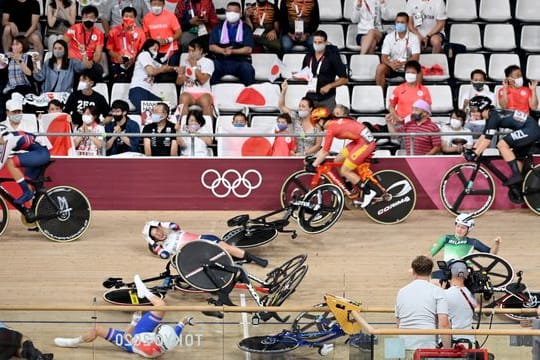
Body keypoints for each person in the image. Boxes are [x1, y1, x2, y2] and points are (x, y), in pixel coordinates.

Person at [55, 274, 193, 358]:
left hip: (132, 340)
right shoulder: (168, 341)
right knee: (162, 306)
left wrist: (134, 322)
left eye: (159, 329)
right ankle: (143, 292)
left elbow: (127, 336)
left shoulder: (147, 349)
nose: (160, 327)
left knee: (97, 330)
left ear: (158, 339)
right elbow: (176, 331)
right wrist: (184, 321)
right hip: (146, 335)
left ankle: (73, 342)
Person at [308, 107, 380, 208]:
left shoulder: (330, 129)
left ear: (320, 121)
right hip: (359, 141)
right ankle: (350, 189)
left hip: (365, 143)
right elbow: (324, 150)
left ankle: (368, 192)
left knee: (345, 170)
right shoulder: (333, 122)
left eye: (315, 124)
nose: (316, 127)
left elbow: (325, 152)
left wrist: (314, 164)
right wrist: (315, 159)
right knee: (337, 160)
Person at [465, 96, 540, 185]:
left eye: (474, 110)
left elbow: (487, 141)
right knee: (517, 156)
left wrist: (474, 154)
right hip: (530, 128)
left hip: (530, 129)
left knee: (502, 144)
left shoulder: (493, 117)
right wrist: (474, 149)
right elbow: (484, 136)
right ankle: (519, 185)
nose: (473, 113)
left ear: (482, 108)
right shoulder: (491, 116)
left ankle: (517, 175)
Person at [142, 220, 268, 267]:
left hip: (205, 240)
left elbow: (174, 225)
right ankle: (242, 258)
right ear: (155, 240)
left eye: (158, 230)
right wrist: (150, 241)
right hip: (199, 253)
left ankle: (256, 259)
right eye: (155, 235)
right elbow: (164, 256)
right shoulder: (166, 248)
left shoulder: (173, 232)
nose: (159, 233)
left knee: (227, 248)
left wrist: (159, 223)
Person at [395, 255, 450, 357]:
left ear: (413, 271)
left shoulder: (401, 291)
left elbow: (398, 323)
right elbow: (444, 323)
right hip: (427, 347)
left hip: (404, 345)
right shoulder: (438, 291)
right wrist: (448, 351)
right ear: (430, 272)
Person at [0, 127, 51, 205]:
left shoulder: (9, 140)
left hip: (41, 154)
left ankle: (26, 192)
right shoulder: (9, 137)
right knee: (29, 186)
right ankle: (29, 213)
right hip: (38, 153)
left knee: (10, 162)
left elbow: (1, 162)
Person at [209, 1, 255, 86]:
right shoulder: (218, 27)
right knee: (210, 68)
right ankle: (212, 95)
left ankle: (249, 96)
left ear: (240, 13)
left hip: (240, 61)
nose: (232, 14)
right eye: (229, 11)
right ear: (226, 12)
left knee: (248, 69)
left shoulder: (246, 28)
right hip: (221, 61)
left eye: (235, 12)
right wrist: (223, 50)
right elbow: (212, 46)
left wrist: (232, 51)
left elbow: (248, 49)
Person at [301, 29, 348, 111]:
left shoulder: (333, 56)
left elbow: (344, 79)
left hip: (327, 98)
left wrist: (329, 86)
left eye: (320, 42)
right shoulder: (308, 56)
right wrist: (298, 75)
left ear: (326, 42)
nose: (317, 44)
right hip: (310, 97)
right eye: (315, 42)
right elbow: (304, 73)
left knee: (327, 123)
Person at [128, 39, 179, 114]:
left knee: (164, 108)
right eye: (154, 49)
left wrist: (175, 68)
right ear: (147, 47)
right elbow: (151, 72)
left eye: (157, 50)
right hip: (138, 89)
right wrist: (162, 69)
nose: (156, 51)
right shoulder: (144, 54)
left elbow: (165, 68)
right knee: (145, 113)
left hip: (148, 92)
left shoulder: (152, 61)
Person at [430, 213, 501, 262]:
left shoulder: (473, 242)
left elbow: (491, 254)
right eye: (458, 226)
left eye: (463, 228)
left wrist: (496, 244)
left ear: (468, 230)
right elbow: (430, 255)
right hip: (448, 270)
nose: (459, 229)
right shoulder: (445, 238)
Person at [375, 12, 420, 89]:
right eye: (397, 22)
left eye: (402, 22)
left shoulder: (414, 38)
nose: (399, 24)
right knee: (380, 68)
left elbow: (416, 57)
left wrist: (404, 63)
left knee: (419, 72)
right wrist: (391, 64)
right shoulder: (389, 37)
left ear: (407, 23)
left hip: (407, 66)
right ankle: (381, 96)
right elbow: (383, 57)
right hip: (392, 67)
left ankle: (414, 96)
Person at [385, 60, 431, 134]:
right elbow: (391, 106)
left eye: (413, 73)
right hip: (400, 124)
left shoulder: (424, 90)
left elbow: (427, 109)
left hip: (418, 124)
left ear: (418, 74)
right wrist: (396, 117)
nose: (410, 74)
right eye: (408, 72)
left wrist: (413, 119)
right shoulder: (398, 89)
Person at [278, 80, 321, 156]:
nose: (300, 108)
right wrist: (283, 91)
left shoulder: (317, 125)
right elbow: (282, 106)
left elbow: (318, 145)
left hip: (310, 157)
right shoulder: (295, 117)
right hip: (294, 156)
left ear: (311, 109)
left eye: (303, 106)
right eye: (299, 106)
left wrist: (303, 154)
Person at [142, 0, 182, 80]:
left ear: (163, 5)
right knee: (157, 76)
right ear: (150, 4)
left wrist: (167, 40)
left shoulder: (171, 16)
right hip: (155, 52)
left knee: (170, 76)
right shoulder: (146, 18)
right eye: (154, 4)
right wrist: (154, 44)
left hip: (171, 51)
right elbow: (147, 36)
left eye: (159, 4)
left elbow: (179, 32)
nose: (156, 6)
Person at [106, 7, 147, 82]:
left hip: (135, 63)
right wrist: (118, 57)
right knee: (119, 81)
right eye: (126, 16)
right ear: (122, 17)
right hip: (118, 63)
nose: (128, 18)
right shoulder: (113, 31)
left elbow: (142, 51)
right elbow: (109, 50)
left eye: (131, 17)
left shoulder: (140, 32)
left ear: (135, 18)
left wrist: (133, 60)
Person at [63, 5, 104, 79]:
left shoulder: (99, 33)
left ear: (95, 19)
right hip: (73, 61)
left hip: (88, 63)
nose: (88, 19)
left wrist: (91, 63)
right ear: (82, 18)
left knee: (98, 69)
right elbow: (62, 43)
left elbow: (98, 54)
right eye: (85, 17)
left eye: (91, 17)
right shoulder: (74, 28)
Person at [176, 38, 214, 117]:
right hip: (188, 92)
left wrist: (194, 66)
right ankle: (183, 126)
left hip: (203, 93)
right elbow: (178, 82)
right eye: (189, 51)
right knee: (183, 98)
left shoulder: (208, 62)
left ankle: (207, 128)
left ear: (200, 50)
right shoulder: (185, 61)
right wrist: (181, 75)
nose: (190, 53)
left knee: (205, 100)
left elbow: (202, 80)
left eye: (193, 51)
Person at [444, 261, 478, 346]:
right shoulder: (471, 295)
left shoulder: (444, 294)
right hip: (470, 343)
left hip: (453, 344)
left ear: (449, 273)